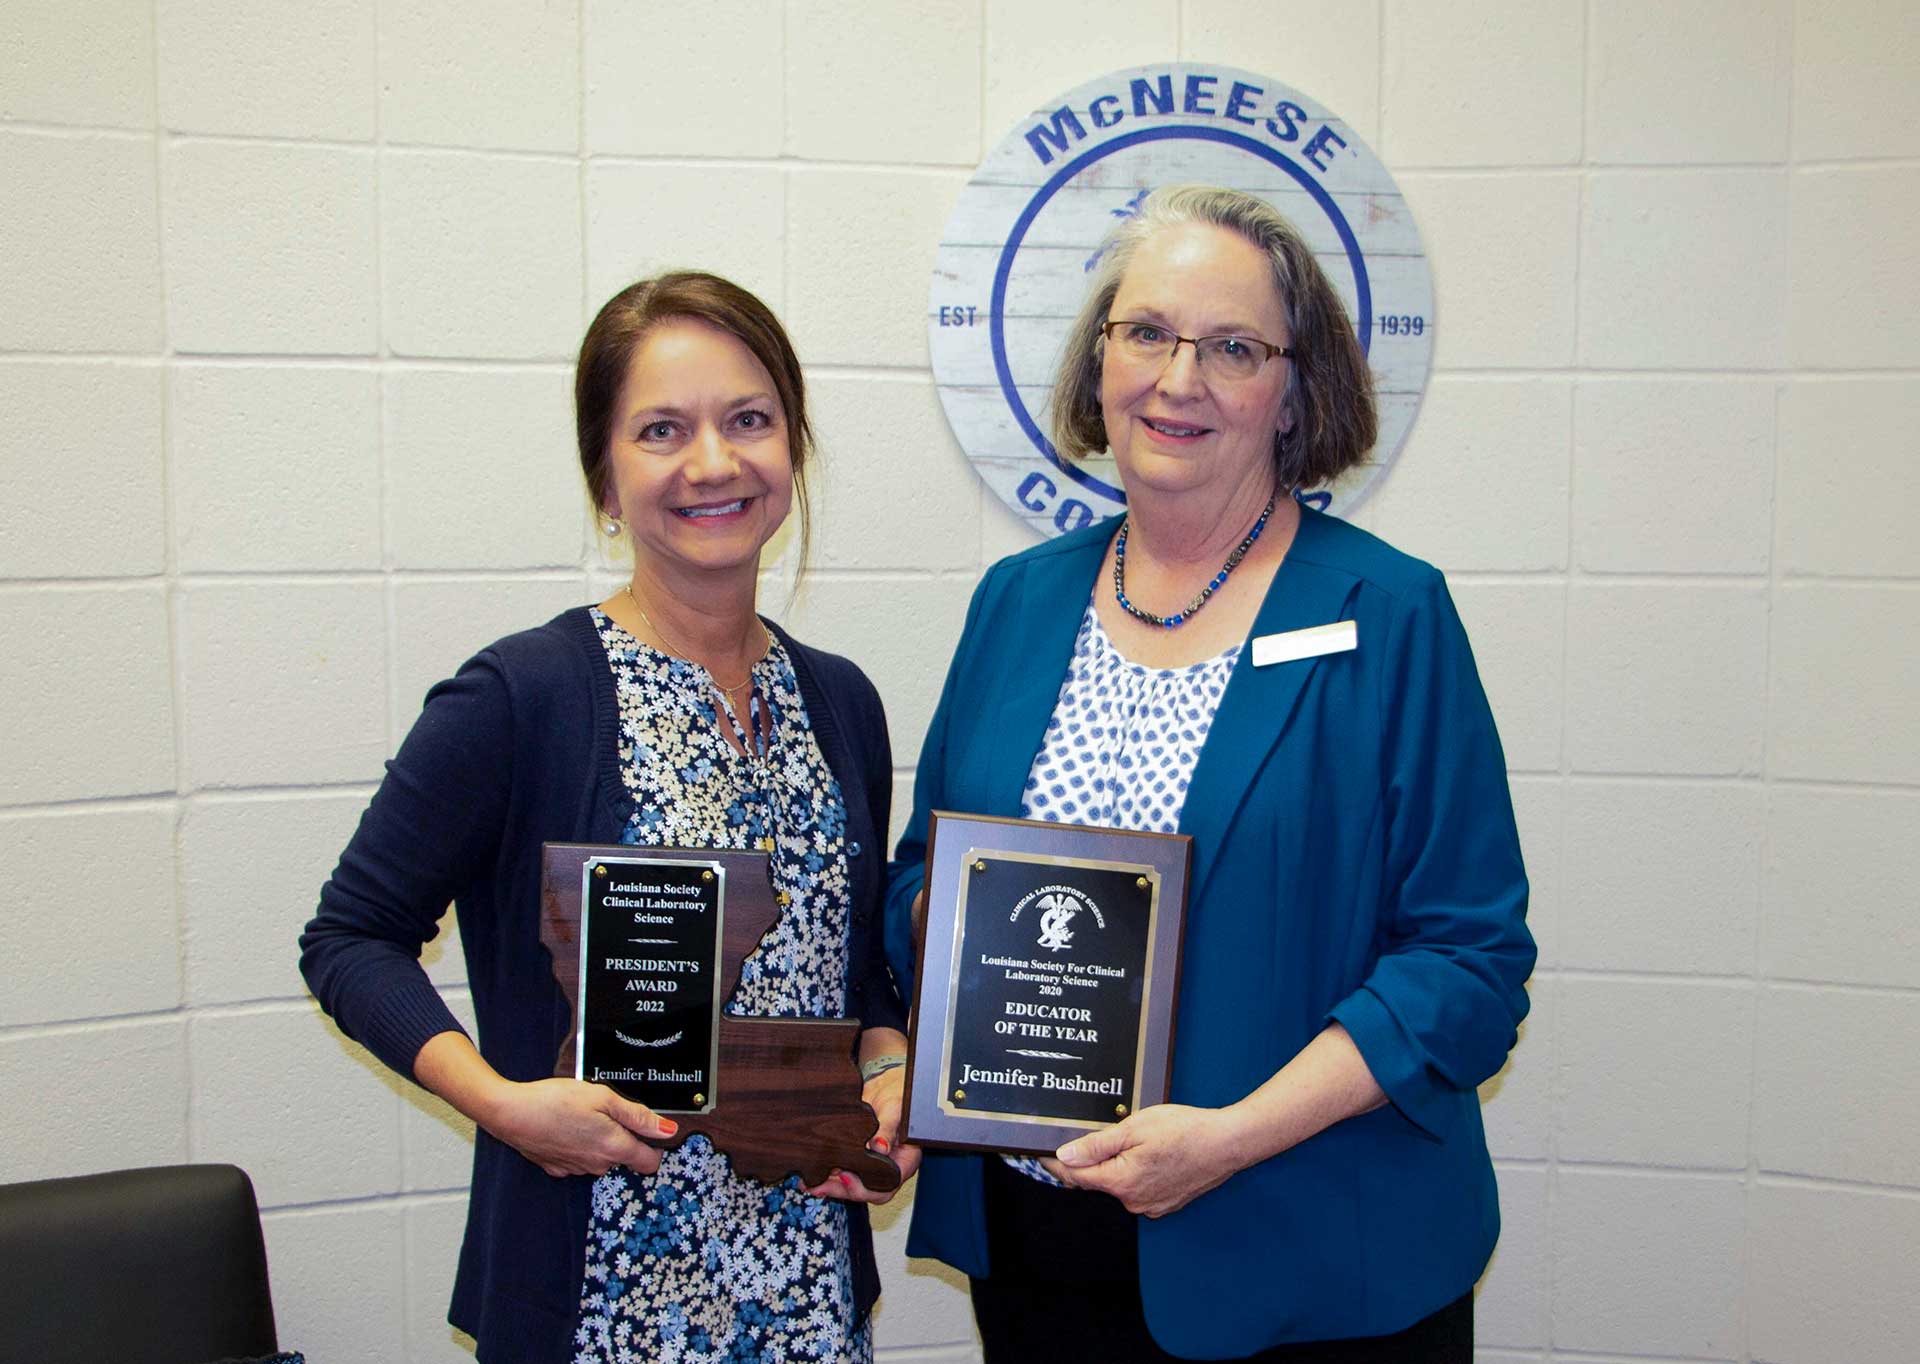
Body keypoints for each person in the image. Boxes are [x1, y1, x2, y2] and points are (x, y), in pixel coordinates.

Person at [886, 185, 1534, 1362]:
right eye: (1146, 333)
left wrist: (1232, 1134)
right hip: (1045, 1251)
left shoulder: (1386, 613)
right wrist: (958, 921)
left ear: (1296, 391)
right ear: (1098, 364)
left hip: (1313, 1258)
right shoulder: (1018, 605)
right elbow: (918, 875)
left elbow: (1468, 963)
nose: (1178, 379)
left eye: (1233, 347)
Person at [301, 271, 914, 1364]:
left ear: (793, 450)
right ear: (605, 475)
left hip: (806, 1296)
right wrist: (502, 1101)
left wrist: (887, 1073)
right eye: (662, 429)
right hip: (598, 1303)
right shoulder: (523, 696)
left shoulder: (842, 701)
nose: (714, 462)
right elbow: (349, 937)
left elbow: (855, 977)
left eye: (750, 420)